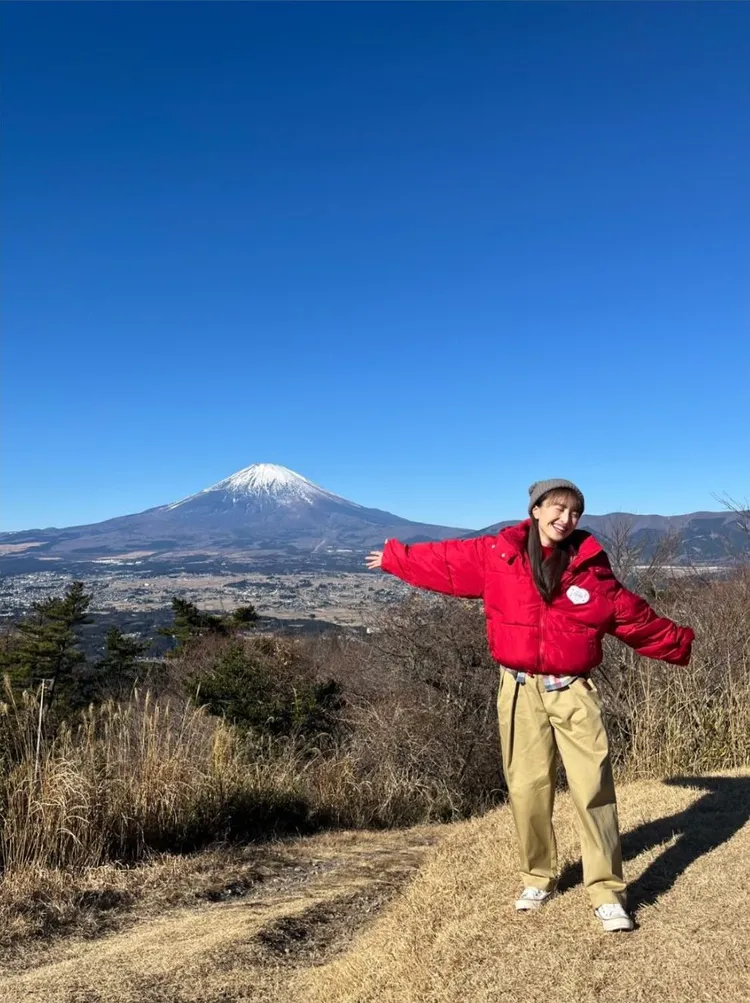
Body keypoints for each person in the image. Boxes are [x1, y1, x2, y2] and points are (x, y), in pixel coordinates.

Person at [365, 478, 694, 933]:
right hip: (518, 689)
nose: (566, 519)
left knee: (592, 788)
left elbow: (634, 617)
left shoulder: (591, 570)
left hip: (574, 690)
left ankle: (607, 892)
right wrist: (395, 559)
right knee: (526, 785)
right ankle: (538, 877)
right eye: (557, 509)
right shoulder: (498, 555)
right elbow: (445, 562)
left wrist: (680, 644)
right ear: (536, 509)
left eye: (574, 512)